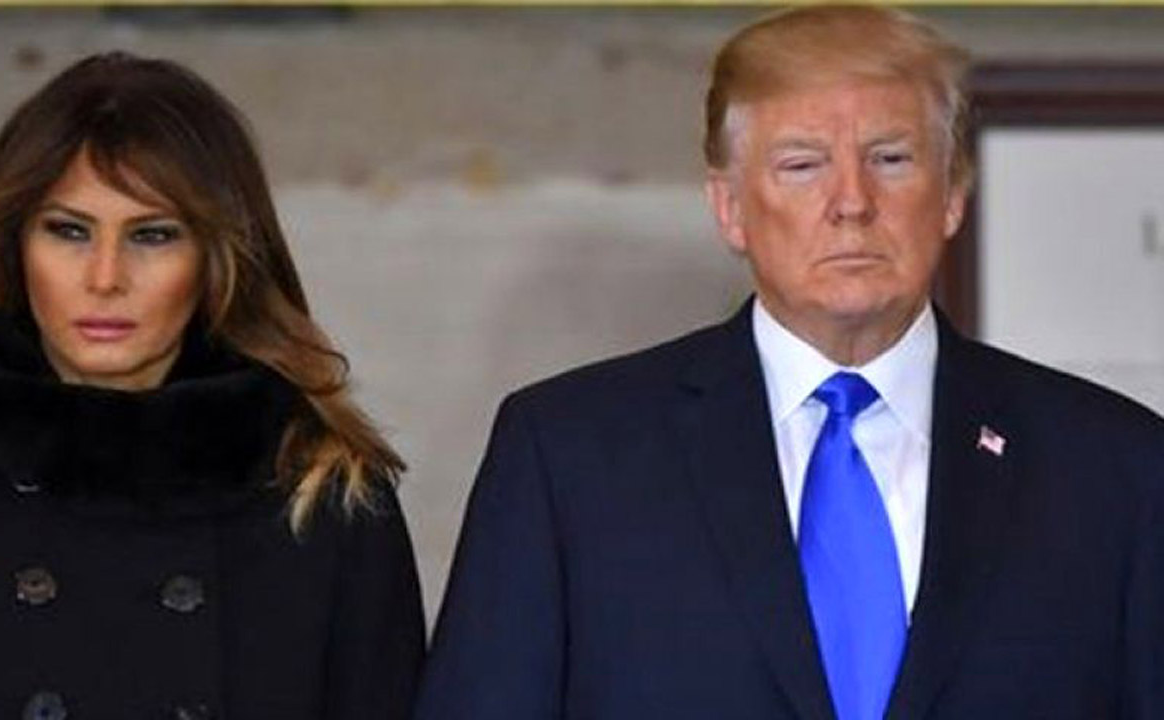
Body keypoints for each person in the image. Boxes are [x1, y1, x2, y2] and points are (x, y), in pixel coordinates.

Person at [416, 6, 1164, 720]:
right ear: (730, 208)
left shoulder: (1115, 469)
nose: (852, 202)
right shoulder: (570, 457)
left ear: (952, 197)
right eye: (803, 165)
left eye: (890, 159)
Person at [0, 52, 424, 719]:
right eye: (69, 231)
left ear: (217, 259)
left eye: (153, 235)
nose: (105, 277)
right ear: (15, 247)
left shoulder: (329, 506)